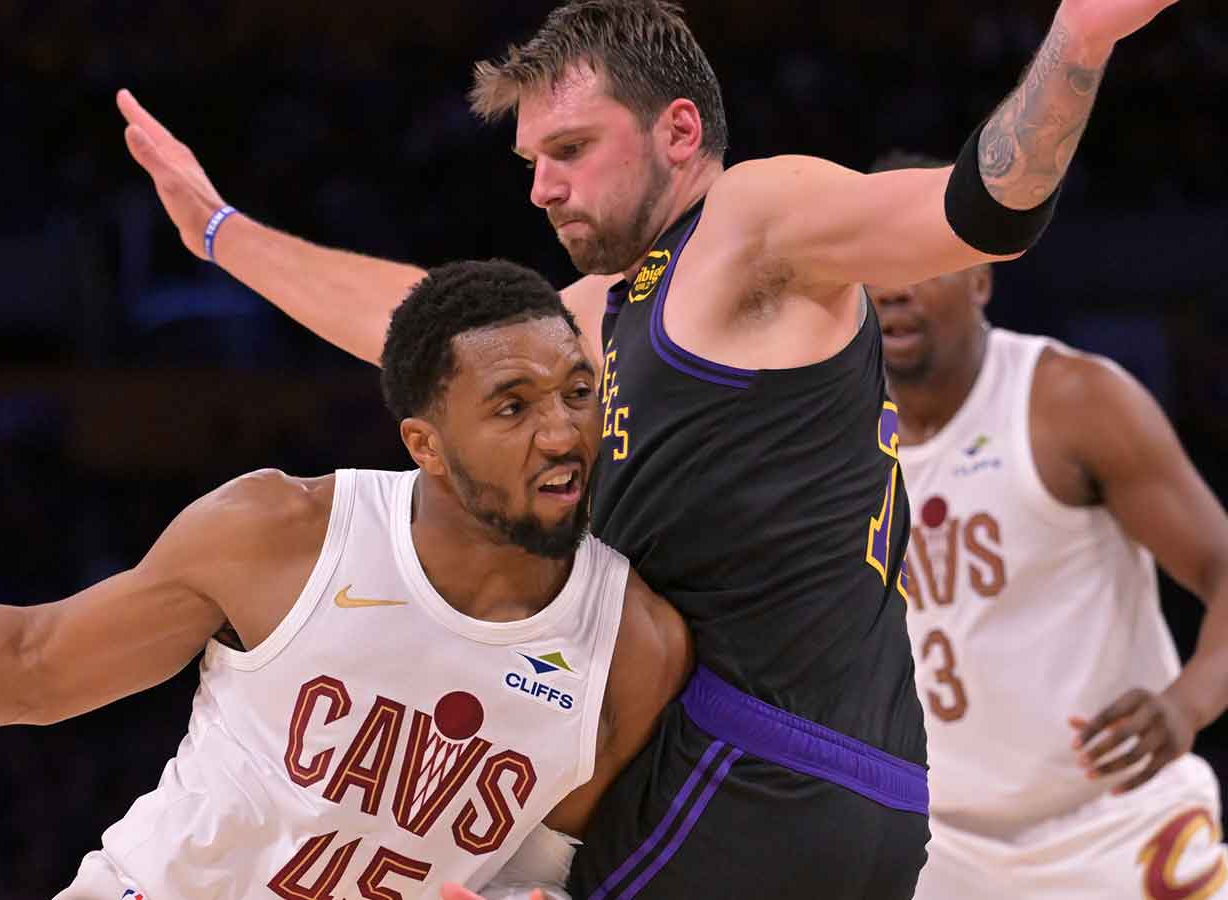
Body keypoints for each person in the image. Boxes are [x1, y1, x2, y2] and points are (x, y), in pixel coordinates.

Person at [114, 0, 1187, 895]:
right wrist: (218, 231)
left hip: (747, 764)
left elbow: (979, 209)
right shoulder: (611, 307)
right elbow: (413, 323)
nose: (541, 185)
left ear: (679, 132)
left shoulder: (750, 222)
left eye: (571, 150)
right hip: (833, 787)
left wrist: (1079, 38)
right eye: (532, 159)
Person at [0, 261, 692, 900]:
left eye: (577, 391)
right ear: (423, 439)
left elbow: (546, 868)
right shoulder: (284, 530)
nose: (562, 430)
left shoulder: (634, 644)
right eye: (512, 405)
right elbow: (33, 661)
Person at [863, 151, 1228, 898]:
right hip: (940, 846)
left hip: (1116, 825)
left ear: (981, 278)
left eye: (923, 260)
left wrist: (1184, 705)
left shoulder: (1069, 401)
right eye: (876, 262)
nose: (895, 288)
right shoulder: (827, 443)